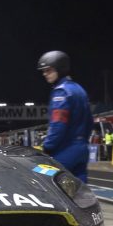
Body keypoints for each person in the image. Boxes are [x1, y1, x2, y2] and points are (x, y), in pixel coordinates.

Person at [37, 50, 93, 181]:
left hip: (65, 150)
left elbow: (58, 124)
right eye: (43, 71)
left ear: (59, 69)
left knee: (41, 177)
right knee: (80, 192)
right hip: (82, 149)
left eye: (48, 70)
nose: (45, 74)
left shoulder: (61, 92)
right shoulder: (79, 89)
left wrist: (47, 147)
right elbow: (90, 121)